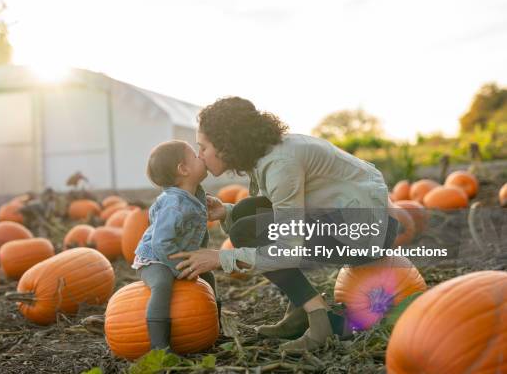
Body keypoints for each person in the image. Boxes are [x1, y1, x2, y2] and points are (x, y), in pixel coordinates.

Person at [170, 97, 399, 352]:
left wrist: (220, 257)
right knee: (246, 212)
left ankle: (320, 320)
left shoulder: (280, 164)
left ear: (225, 146)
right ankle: (300, 311)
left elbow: (288, 249)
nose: (200, 155)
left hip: (365, 234)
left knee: (247, 231)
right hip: (350, 218)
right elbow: (276, 208)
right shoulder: (268, 155)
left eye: (203, 148)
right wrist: (225, 211)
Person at [133, 140, 218, 353]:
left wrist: (199, 258)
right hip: (155, 258)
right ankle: (159, 347)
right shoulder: (174, 205)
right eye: (195, 155)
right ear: (183, 169)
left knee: (208, 277)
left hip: (179, 254)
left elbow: (197, 229)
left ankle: (216, 324)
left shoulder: (194, 194)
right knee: (162, 284)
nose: (201, 156)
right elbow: (160, 243)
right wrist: (179, 267)